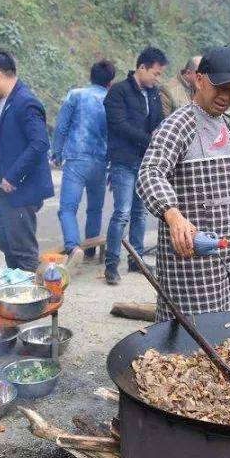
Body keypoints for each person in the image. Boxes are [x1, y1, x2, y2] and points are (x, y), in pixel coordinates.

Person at [137, 46, 230, 321]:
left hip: (227, 255)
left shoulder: (226, 124)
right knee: (189, 339)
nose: (225, 96)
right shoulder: (180, 124)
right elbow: (149, 173)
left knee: (228, 331)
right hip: (191, 263)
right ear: (199, 79)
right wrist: (173, 216)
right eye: (219, 86)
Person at [0, 48, 55, 272]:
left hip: (20, 190)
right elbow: (3, 142)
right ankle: (16, 289)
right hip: (4, 189)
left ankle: (33, 301)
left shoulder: (25, 102)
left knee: (22, 251)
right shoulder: (4, 101)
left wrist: (14, 175)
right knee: (6, 242)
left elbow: (40, 143)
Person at [103, 46, 167, 285]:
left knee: (141, 213)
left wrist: (157, 137)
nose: (157, 78)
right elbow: (118, 124)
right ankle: (111, 264)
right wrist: (147, 138)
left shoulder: (153, 93)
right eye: (156, 73)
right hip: (123, 160)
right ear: (142, 68)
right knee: (122, 213)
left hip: (145, 160)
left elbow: (159, 120)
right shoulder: (118, 92)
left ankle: (136, 259)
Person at [53, 59, 115, 266]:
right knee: (95, 209)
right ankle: (90, 251)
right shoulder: (112, 99)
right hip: (101, 161)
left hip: (76, 159)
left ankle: (73, 247)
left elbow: (61, 127)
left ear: (91, 76)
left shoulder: (76, 95)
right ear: (110, 81)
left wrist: (56, 152)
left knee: (68, 208)